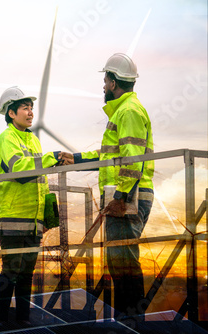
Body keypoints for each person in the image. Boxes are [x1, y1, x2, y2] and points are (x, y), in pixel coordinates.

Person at [71, 53, 154, 320]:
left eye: (106, 79)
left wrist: (120, 196)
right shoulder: (124, 111)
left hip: (128, 195)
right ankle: (127, 322)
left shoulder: (128, 111)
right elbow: (110, 155)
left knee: (125, 263)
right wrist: (77, 158)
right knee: (119, 263)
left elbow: (132, 159)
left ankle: (130, 323)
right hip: (126, 193)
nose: (104, 85)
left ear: (114, 82)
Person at [0, 86, 71, 326]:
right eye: (25, 108)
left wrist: (48, 217)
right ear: (11, 113)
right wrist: (51, 157)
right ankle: (1, 321)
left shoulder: (34, 140)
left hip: (32, 220)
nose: (30, 112)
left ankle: (23, 320)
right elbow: (20, 171)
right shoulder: (7, 139)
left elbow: (42, 183)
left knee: (26, 273)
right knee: (11, 271)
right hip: (13, 218)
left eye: (31, 108)